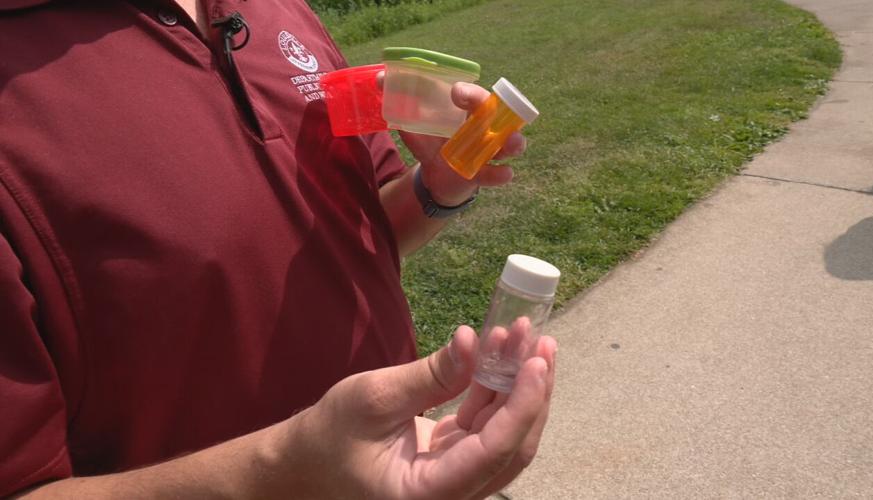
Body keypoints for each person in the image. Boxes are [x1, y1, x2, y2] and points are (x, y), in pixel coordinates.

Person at [0, 0, 557, 498]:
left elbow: (361, 229)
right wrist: (284, 470)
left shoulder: (278, 8)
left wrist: (439, 187)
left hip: (410, 454)